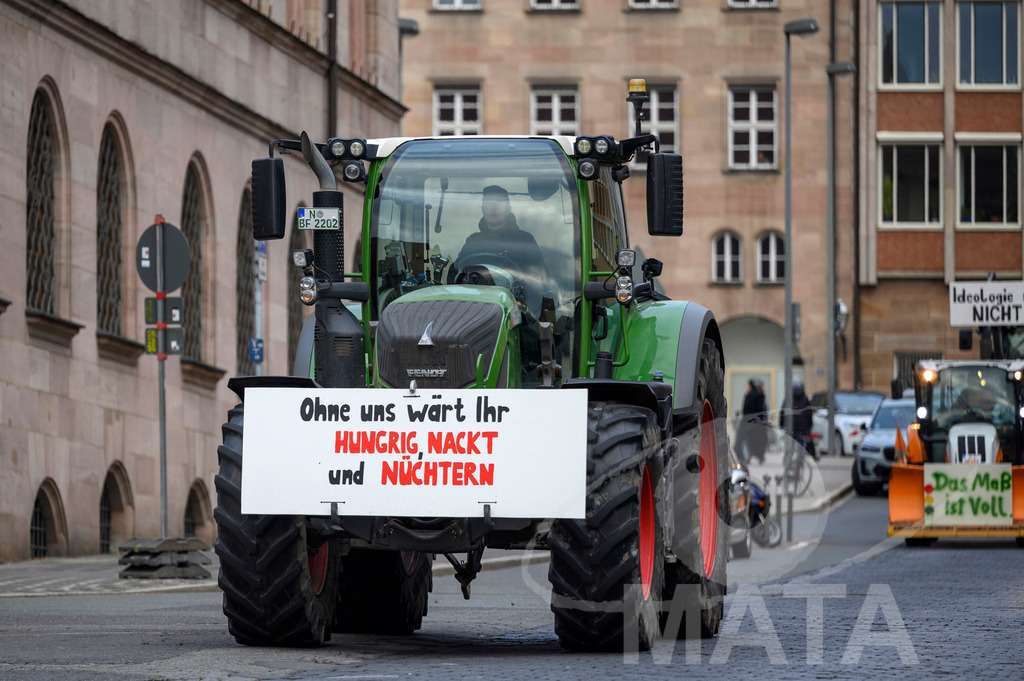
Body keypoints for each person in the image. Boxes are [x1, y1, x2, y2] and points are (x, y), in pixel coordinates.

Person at [454, 185, 549, 307]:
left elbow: (541, 280)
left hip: (518, 309)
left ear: (508, 209)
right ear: (483, 209)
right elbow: (456, 273)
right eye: (488, 203)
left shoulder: (525, 240)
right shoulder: (473, 241)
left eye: (499, 202)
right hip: (477, 306)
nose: (493, 207)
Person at [779, 379, 816, 460]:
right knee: (801, 447)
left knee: (789, 449)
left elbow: (782, 413)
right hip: (802, 428)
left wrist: (781, 425)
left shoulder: (788, 399)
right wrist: (809, 427)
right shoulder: (805, 399)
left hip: (790, 428)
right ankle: (799, 464)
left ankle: (788, 466)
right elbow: (809, 414)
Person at [737, 379, 770, 464]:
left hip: (748, 422)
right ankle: (757, 455)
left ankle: (747, 455)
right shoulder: (760, 396)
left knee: (746, 439)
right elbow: (761, 410)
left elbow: (745, 410)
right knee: (757, 439)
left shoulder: (749, 396)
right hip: (756, 423)